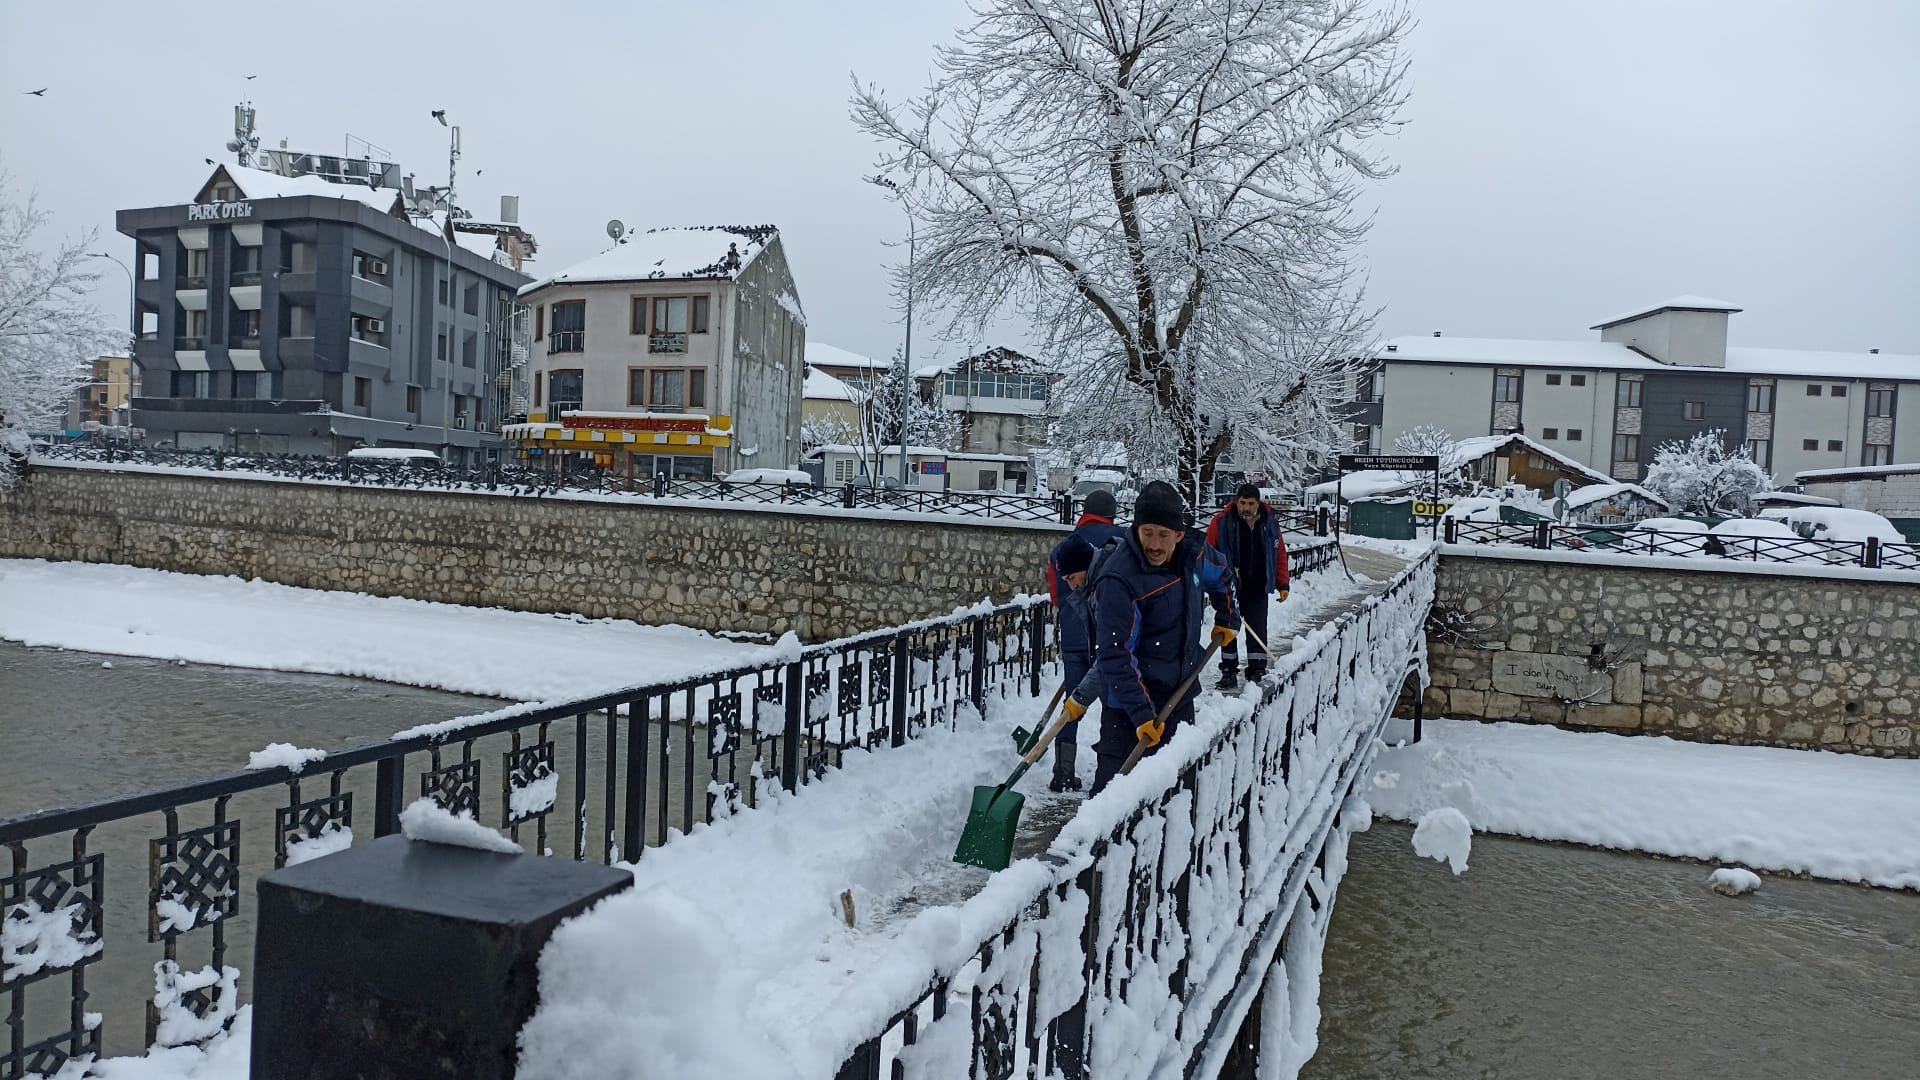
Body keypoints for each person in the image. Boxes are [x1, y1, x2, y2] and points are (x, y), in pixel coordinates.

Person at [1089, 480, 1237, 795]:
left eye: (1163, 535)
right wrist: (1141, 713)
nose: (1154, 545)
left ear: (1179, 535)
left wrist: (1228, 616)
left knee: (1177, 796)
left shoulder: (1193, 554)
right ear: (1136, 529)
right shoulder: (1119, 579)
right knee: (1114, 800)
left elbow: (1222, 573)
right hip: (1127, 711)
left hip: (1179, 697)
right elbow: (1115, 653)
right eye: (1147, 533)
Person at [1045, 490, 1126, 791]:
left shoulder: (1063, 549)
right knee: (1111, 702)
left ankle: (1063, 771)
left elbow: (1057, 597)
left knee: (1073, 702)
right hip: (1108, 635)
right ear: (1111, 514)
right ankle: (1110, 767)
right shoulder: (1122, 541)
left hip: (1074, 637)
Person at [1204, 483, 1291, 688]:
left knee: (1258, 629)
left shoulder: (1269, 522)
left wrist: (1283, 583)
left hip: (1258, 585)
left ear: (1258, 503)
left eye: (1251, 503)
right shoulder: (1222, 522)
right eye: (1242, 503)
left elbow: (1279, 553)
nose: (1246, 508)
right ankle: (1228, 670)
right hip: (1228, 587)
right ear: (1237, 502)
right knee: (1228, 629)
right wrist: (1210, 581)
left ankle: (1257, 670)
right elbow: (1207, 552)